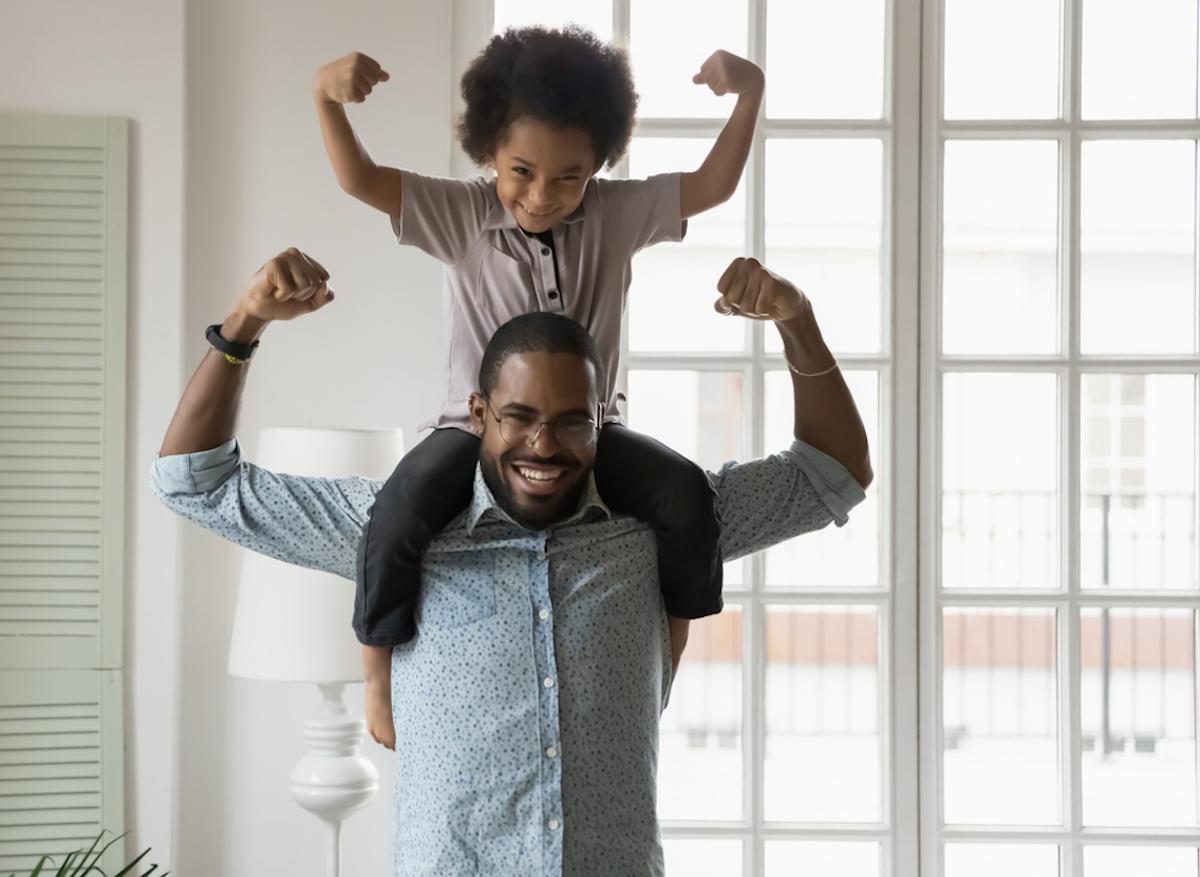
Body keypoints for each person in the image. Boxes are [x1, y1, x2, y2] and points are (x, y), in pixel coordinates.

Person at [151, 249, 872, 876]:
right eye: (519, 416)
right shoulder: (392, 529)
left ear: (602, 420)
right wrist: (244, 324)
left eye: (570, 421)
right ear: (477, 413)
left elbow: (834, 473)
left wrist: (796, 316)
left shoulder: (657, 528)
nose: (543, 445)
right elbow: (194, 481)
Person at [311, 26, 767, 748]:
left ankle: (668, 657)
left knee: (686, 498)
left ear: (598, 166)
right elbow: (360, 179)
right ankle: (374, 671)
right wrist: (326, 100)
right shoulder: (459, 215)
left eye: (569, 177)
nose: (542, 195)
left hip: (593, 433)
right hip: (476, 434)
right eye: (521, 171)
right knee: (396, 511)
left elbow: (711, 186)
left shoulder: (617, 215)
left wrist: (750, 97)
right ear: (489, 149)